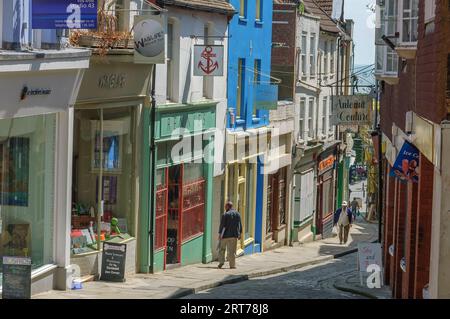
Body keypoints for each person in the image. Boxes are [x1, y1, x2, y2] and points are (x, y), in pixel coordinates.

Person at [218, 201, 242, 269]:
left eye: (225, 206)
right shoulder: (237, 214)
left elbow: (222, 226)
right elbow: (240, 224)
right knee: (232, 251)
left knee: (222, 249)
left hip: (225, 235)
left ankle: (221, 262)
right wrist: (239, 233)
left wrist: (220, 234)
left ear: (228, 206)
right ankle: (232, 265)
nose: (225, 207)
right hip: (234, 235)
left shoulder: (225, 215)